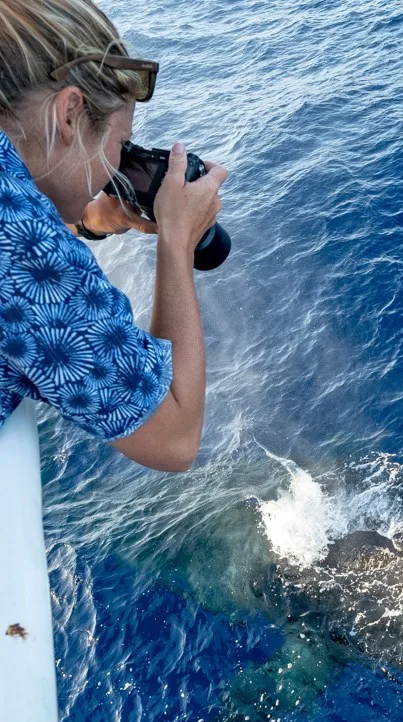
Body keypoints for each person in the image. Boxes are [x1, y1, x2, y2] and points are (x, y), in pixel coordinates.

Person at [0, 0, 228, 472]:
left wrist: (95, 220)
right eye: (119, 146)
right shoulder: (26, 245)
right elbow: (174, 438)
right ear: (69, 114)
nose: (113, 171)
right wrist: (177, 242)